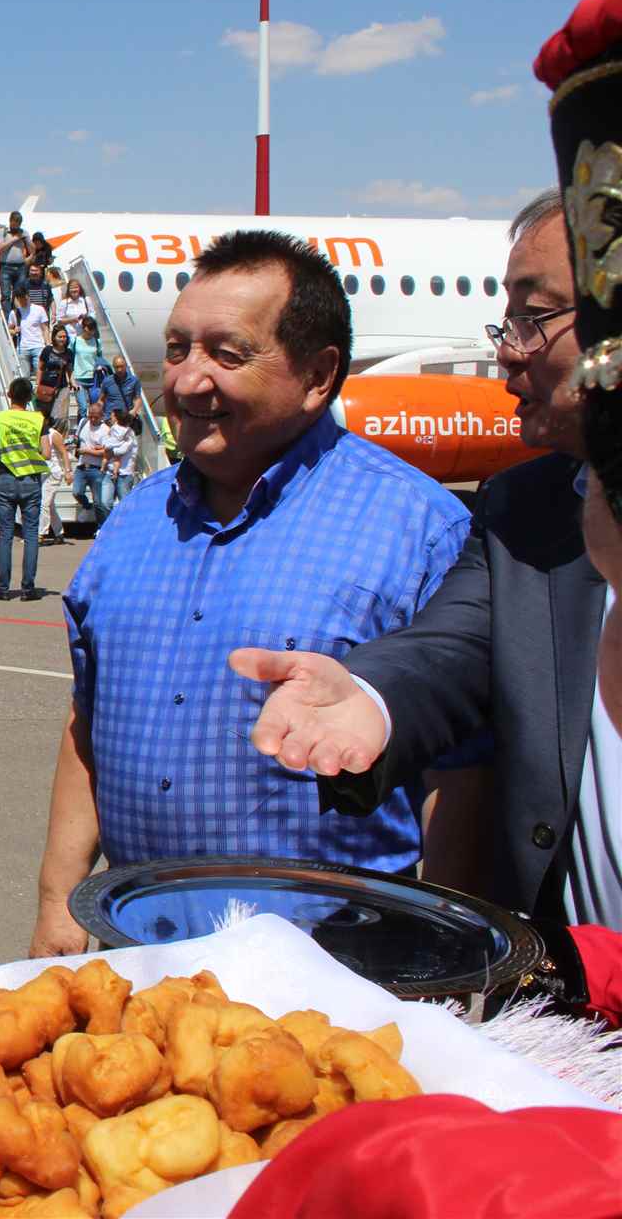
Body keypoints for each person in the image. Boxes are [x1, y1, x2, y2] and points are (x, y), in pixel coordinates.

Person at [29, 230, 471, 957]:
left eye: (228, 355)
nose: (187, 380)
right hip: (137, 958)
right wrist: (58, 904)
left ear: (318, 375)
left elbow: (459, 779)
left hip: (333, 974)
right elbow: (88, 725)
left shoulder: (418, 530)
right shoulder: (131, 523)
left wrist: (453, 952)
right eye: (178, 350)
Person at [230, 190, 608, 927]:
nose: (507, 348)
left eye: (536, 317)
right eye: (509, 320)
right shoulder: (525, 511)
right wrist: (367, 696)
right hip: (578, 985)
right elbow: (451, 647)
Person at [0, 376, 62, 601]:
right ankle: (28, 588)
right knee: (31, 534)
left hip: (6, 478)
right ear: (29, 398)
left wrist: (3, 457)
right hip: (30, 481)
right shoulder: (38, 420)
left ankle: (3, 589)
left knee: (5, 535)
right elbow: (46, 453)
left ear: (9, 395)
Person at [69, 397, 110, 530]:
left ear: (101, 416)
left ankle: (101, 527)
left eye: (95, 417)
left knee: (98, 502)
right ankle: (87, 506)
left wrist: (88, 451)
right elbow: (77, 438)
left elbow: (106, 452)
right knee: (77, 492)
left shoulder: (105, 430)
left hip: (96, 468)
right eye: (90, 416)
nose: (92, 419)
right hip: (81, 467)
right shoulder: (83, 422)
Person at [36, 325, 73, 421]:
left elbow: (70, 370)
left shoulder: (69, 352)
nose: (62, 339)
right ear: (54, 337)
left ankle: (58, 430)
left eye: (64, 337)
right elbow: (40, 368)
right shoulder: (47, 350)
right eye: (60, 337)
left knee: (61, 416)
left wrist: (73, 383)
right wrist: (37, 384)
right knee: (44, 414)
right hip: (46, 386)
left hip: (62, 387)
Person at [10, 287, 49, 377]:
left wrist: (48, 345)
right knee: (24, 376)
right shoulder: (14, 313)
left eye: (24, 298)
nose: (23, 301)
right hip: (22, 348)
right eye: (20, 299)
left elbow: (45, 329)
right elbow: (8, 330)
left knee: (41, 375)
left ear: (27, 296)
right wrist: (14, 331)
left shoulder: (39, 309)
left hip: (38, 346)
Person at [103, 408, 138, 508]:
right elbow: (105, 444)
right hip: (109, 471)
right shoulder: (112, 430)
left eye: (112, 416)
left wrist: (111, 450)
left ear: (117, 418)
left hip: (125, 474)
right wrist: (110, 447)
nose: (110, 418)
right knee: (105, 503)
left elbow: (122, 450)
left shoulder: (129, 433)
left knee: (125, 504)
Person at [0, 211, 29, 314]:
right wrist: (15, 239)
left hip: (20, 267)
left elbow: (32, 249)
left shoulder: (24, 232)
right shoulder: (2, 232)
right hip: (6, 267)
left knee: (19, 293)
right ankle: (7, 317)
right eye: (15, 222)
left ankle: (19, 316)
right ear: (10, 221)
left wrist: (26, 240)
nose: (16, 225)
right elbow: (0, 249)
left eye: (18, 223)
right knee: (6, 294)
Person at [93, 353, 142, 419]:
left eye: (121, 366)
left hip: (126, 418)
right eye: (117, 367)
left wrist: (134, 410)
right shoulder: (107, 381)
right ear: (113, 367)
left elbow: (137, 399)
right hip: (110, 418)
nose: (119, 369)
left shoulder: (134, 380)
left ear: (126, 366)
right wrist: (97, 410)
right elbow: (101, 400)